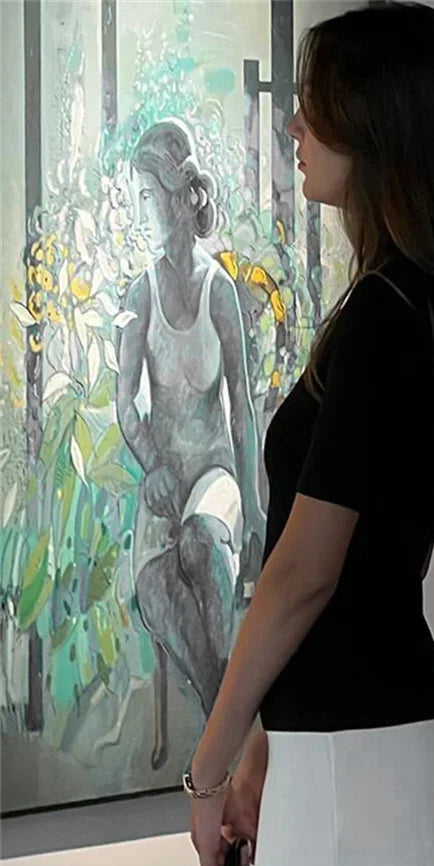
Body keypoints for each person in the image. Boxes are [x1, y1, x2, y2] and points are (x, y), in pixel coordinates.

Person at [184, 2, 434, 866]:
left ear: (380, 125)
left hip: (354, 754)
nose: (294, 124)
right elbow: (363, 575)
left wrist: (208, 766)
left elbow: (305, 573)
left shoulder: (384, 314)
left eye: (315, 105)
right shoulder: (426, 306)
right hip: (387, 737)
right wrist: (262, 747)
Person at [116, 120, 266, 760]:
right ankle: (224, 720)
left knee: (203, 543)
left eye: (146, 197)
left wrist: (254, 510)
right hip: (164, 483)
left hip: (213, 477)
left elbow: (242, 409)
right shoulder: (140, 294)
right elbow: (125, 403)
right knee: (155, 585)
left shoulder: (219, 291)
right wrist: (151, 464)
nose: (139, 213)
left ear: (178, 198)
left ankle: (218, 737)